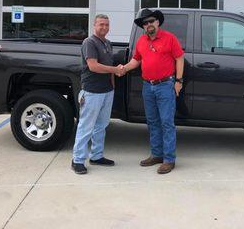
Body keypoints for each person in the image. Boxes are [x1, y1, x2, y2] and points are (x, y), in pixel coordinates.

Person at [119, 9, 184, 174]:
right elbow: (136, 60)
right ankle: (156, 155)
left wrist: (178, 81)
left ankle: (169, 159)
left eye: (151, 21)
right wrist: (123, 68)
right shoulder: (141, 40)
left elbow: (179, 58)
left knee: (166, 122)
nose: (148, 24)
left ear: (158, 22)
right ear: (143, 26)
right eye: (145, 23)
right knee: (152, 121)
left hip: (165, 86)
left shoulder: (170, 38)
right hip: (147, 86)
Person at [71, 14, 119, 175]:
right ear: (94, 25)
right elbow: (93, 66)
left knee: (101, 126)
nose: (104, 27)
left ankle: (96, 156)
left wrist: (112, 85)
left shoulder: (107, 43)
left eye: (106, 24)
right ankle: (77, 160)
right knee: (86, 126)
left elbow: (109, 64)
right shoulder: (89, 42)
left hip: (106, 91)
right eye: (101, 24)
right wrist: (115, 70)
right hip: (92, 92)